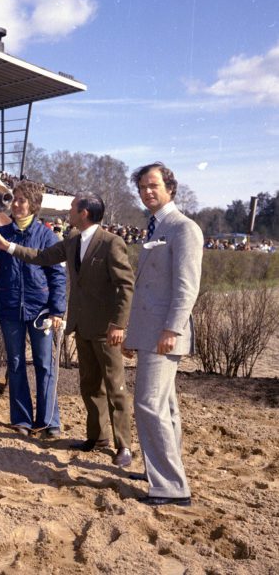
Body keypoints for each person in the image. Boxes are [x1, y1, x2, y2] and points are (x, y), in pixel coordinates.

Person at [0, 192, 134, 466]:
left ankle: (123, 445)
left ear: (84, 213)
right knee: (90, 385)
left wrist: (120, 324)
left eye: (72, 208)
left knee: (115, 387)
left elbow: (126, 286)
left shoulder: (111, 243)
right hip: (82, 326)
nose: (68, 212)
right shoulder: (72, 242)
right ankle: (97, 436)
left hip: (107, 329)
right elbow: (41, 257)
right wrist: (8, 247)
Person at [123, 162, 203, 507]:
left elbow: (187, 287)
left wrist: (172, 328)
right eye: (142, 187)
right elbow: (147, 290)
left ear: (170, 187)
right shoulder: (156, 228)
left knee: (148, 404)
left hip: (165, 334)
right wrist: (133, 334)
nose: (147, 192)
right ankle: (162, 471)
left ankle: (171, 487)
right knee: (165, 407)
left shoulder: (183, 228)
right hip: (150, 332)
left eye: (153, 185)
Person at [0, 180, 66, 437]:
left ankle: (49, 421)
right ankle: (22, 420)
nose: (16, 204)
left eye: (21, 200)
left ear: (33, 205)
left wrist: (57, 310)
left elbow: (58, 276)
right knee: (15, 363)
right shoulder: (3, 232)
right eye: (14, 199)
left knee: (44, 364)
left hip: (41, 310)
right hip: (10, 308)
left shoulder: (47, 236)